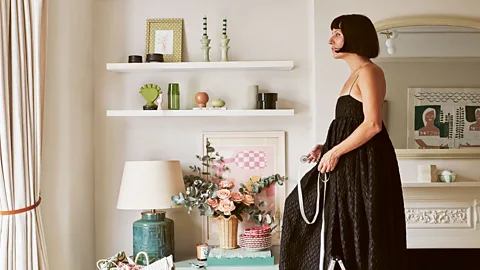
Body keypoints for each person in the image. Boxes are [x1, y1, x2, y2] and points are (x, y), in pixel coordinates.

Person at [280, 14, 407, 270]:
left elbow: (372, 124)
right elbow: (349, 123)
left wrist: (335, 152)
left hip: (364, 165)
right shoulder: (355, 75)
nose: (330, 40)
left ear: (355, 37)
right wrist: (326, 147)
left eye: (337, 34)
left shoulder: (371, 72)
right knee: (303, 208)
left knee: (361, 224)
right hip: (348, 162)